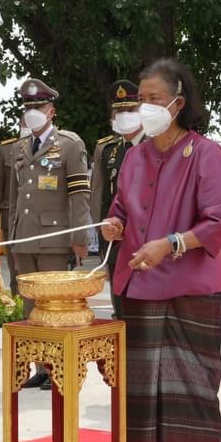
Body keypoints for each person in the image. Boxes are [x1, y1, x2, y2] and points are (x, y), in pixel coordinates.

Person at [100, 57, 221, 442]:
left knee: (191, 391)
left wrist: (173, 243)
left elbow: (220, 220)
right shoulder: (134, 156)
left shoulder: (205, 154)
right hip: (137, 288)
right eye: (142, 98)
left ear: (179, 102)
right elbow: (120, 206)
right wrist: (114, 223)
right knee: (144, 395)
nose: (145, 106)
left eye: (154, 98)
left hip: (188, 291)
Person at [9, 78, 91, 390]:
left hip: (55, 237)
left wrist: (80, 237)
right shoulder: (19, 146)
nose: (33, 112)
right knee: (31, 306)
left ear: (51, 110)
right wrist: (12, 237)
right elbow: (19, 196)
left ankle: (59, 365)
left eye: (39, 107)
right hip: (25, 237)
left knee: (56, 306)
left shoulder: (69, 144)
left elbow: (79, 194)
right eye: (28, 107)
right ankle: (41, 366)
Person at [90, 80, 145, 317]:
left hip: (145, 236)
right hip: (114, 236)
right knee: (119, 300)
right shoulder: (108, 150)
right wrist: (99, 228)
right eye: (119, 112)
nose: (124, 116)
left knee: (144, 302)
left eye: (130, 111)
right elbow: (99, 195)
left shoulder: (156, 144)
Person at [0, 119, 29, 295]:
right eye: (25, 123)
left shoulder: (54, 147)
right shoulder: (5, 150)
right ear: (20, 125)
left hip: (43, 219)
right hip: (11, 218)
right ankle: (19, 309)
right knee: (16, 268)